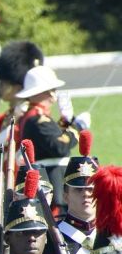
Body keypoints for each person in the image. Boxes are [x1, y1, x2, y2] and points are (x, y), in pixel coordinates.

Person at [16, 65, 91, 208]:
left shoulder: (36, 117)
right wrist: (77, 127)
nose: (53, 95)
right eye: (52, 90)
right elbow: (60, 146)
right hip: (52, 180)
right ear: (44, 92)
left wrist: (66, 121)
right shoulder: (37, 119)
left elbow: (53, 136)